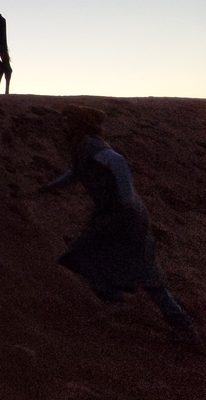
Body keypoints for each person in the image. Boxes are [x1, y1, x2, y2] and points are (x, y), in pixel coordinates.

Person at [42, 105, 199, 342]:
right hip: (113, 215)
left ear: (79, 125)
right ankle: (118, 301)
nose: (64, 126)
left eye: (68, 121)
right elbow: (77, 173)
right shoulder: (84, 149)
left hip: (125, 217)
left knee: (139, 272)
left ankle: (178, 324)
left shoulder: (94, 148)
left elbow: (118, 163)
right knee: (90, 256)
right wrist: (50, 187)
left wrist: (125, 200)